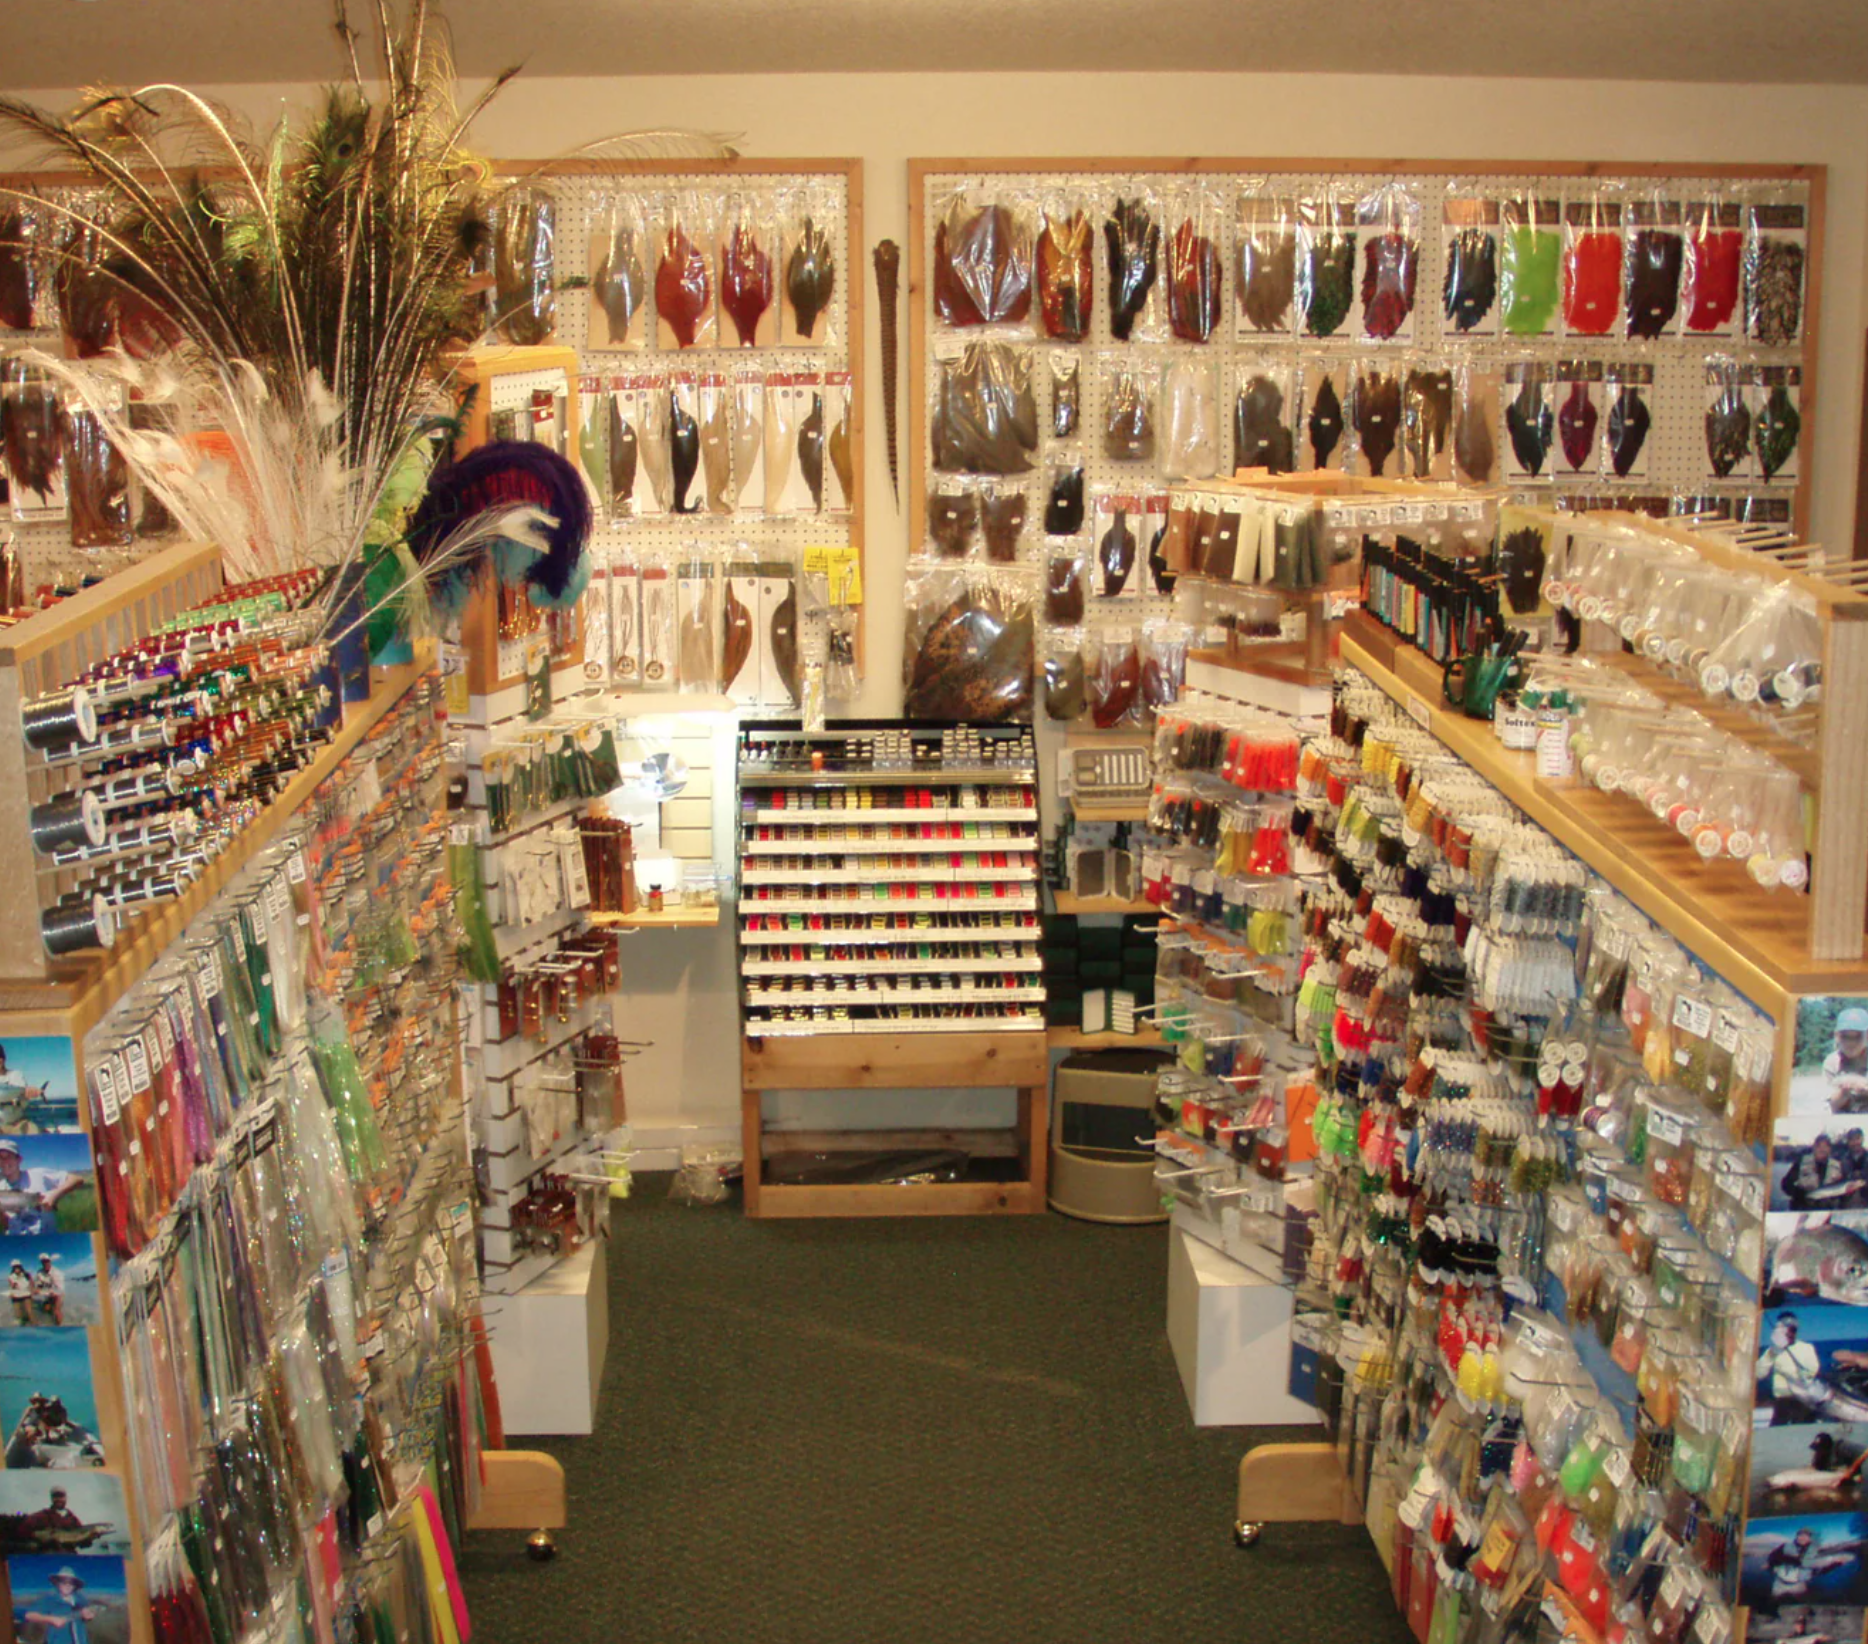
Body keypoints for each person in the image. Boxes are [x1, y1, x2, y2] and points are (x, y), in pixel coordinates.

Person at [1760, 1311, 1828, 1424]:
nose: (1790, 1334)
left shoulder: (1807, 1348)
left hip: (1804, 1401)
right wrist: (1773, 1352)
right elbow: (1759, 1374)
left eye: (1793, 1330)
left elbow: (1813, 1371)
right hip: (1782, 1403)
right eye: (1786, 1330)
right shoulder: (1771, 1351)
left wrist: (1793, 1376)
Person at [0, 1140, 77, 1238]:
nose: (4, 1161)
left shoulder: (38, 1174)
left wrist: (55, 1194)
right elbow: (6, 1225)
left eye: (8, 1156)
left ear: (19, 1159)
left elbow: (76, 1179)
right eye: (0, 1158)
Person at [16, 1565, 102, 1643]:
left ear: (75, 1586)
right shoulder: (49, 1599)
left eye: (71, 1583)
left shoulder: (81, 1599)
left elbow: (86, 1615)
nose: (67, 1585)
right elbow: (29, 1615)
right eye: (64, 1582)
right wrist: (52, 1619)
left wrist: (88, 1617)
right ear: (57, 1583)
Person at [1785, 1134, 1849, 1210]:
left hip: (1828, 1209)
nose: (1822, 1149)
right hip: (1804, 1208)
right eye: (1819, 1146)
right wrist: (1800, 1194)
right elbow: (1785, 1184)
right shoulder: (1801, 1163)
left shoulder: (1838, 1166)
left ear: (1830, 1149)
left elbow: (1843, 1191)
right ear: (1814, 1148)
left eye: (1826, 1146)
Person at [1828, 1008, 1868, 1113]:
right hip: (1843, 1120)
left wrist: (1864, 1088)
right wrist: (1845, 1092)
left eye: (1857, 1037)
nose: (1851, 1043)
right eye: (1845, 1036)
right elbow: (1831, 1105)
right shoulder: (1832, 1062)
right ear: (1837, 1036)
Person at [31, 1254, 64, 1327]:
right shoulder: (39, 1272)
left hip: (58, 1293)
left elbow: (60, 1289)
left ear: (50, 1262)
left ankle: (59, 1326)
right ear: (42, 1263)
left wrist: (54, 1293)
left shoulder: (57, 1272)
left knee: (56, 1311)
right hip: (47, 1293)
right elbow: (38, 1284)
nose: (46, 1263)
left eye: (47, 1261)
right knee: (45, 1310)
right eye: (44, 1262)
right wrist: (36, 1290)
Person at [7, 1260, 33, 1328]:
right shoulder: (10, 1276)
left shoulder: (27, 1274)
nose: (16, 1268)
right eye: (14, 1267)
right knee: (18, 1314)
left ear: (21, 1266)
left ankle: (33, 1325)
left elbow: (32, 1284)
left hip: (26, 1294)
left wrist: (32, 1290)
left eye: (18, 1266)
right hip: (16, 1296)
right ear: (12, 1268)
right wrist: (11, 1293)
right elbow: (11, 1287)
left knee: (29, 1312)